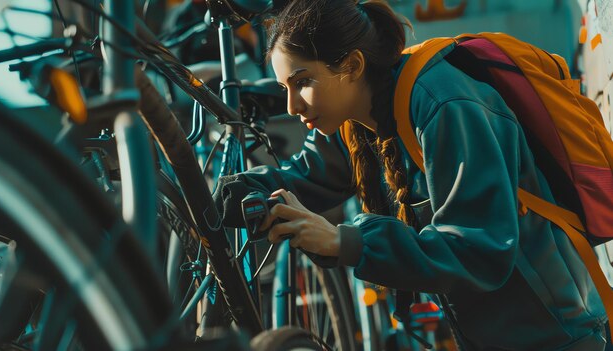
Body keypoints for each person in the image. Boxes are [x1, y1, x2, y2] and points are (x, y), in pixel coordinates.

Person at [212, 0, 608, 349]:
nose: (291, 105)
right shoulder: (356, 117)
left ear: (351, 66)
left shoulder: (444, 104)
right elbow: (309, 175)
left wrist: (344, 241)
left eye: (303, 83)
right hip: (493, 336)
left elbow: (479, 250)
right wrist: (242, 189)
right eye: (285, 86)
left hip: (555, 336)